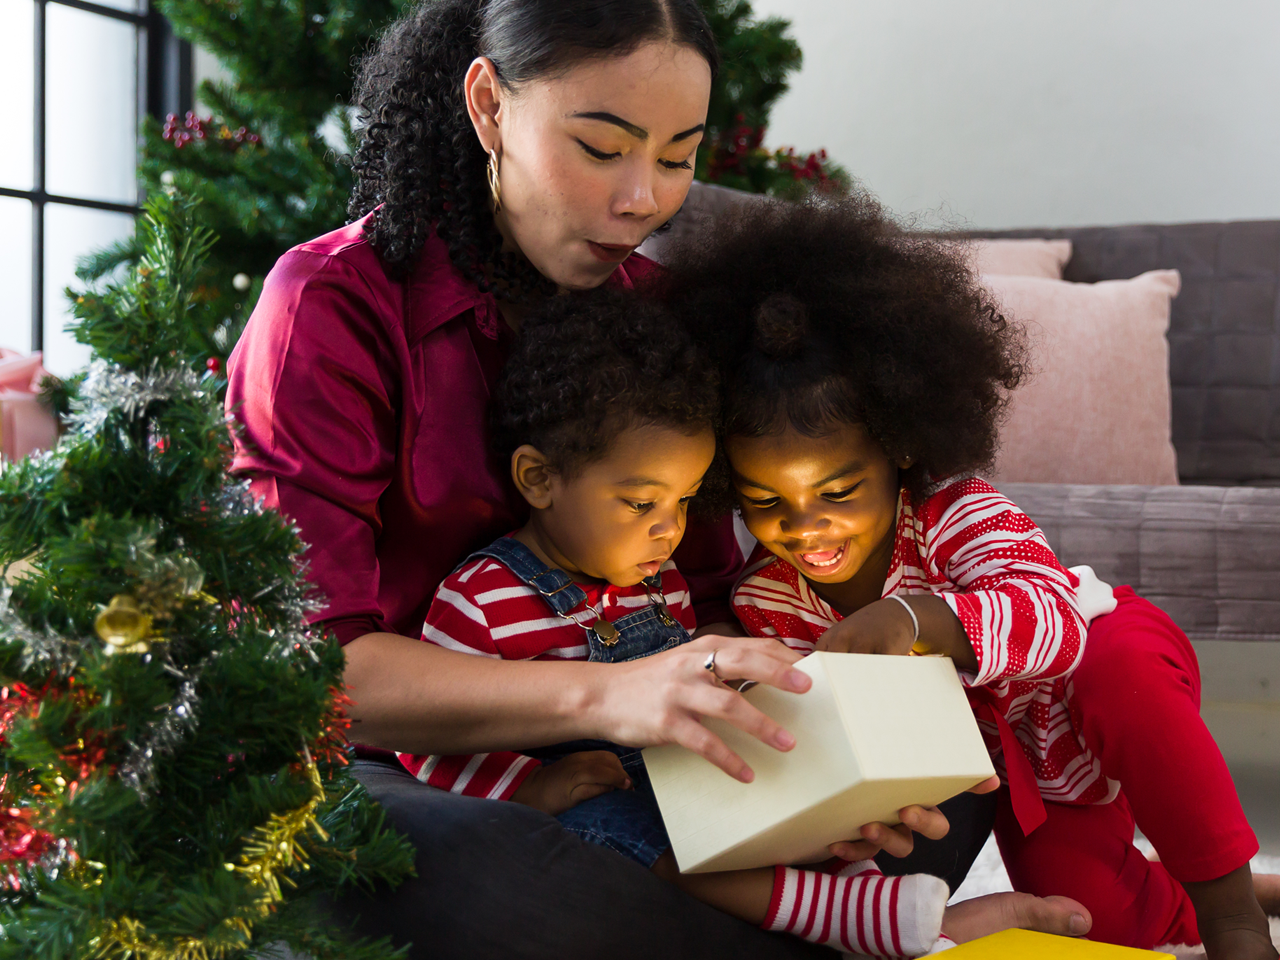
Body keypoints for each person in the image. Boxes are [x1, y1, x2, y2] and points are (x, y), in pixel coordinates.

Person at [225, 2, 1000, 956]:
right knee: (464, 862)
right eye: (602, 146)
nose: (645, 200)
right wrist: (607, 696)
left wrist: (810, 765)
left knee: (947, 790)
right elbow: (319, 674)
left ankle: (789, 911)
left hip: (637, 750)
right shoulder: (330, 306)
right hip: (406, 762)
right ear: (487, 105)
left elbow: (712, 606)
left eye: (677, 158)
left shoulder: (666, 318)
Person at [659, 194, 1280, 959]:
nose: (804, 524)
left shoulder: (957, 512)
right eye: (764, 502)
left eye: (839, 491)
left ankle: (1234, 915)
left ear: (903, 450)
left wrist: (919, 619)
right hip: (1017, 768)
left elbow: (1050, 619)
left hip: (1096, 656)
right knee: (1095, 920)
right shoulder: (768, 598)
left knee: (1118, 676)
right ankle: (1198, 896)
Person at [398, 290, 1092, 956]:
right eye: (641, 504)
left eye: (686, 501)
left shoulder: (660, 586)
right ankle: (860, 919)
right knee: (606, 834)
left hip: (685, 784)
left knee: (770, 794)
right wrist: (529, 789)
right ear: (539, 479)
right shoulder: (482, 598)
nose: (669, 532)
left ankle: (894, 919)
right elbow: (428, 744)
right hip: (586, 805)